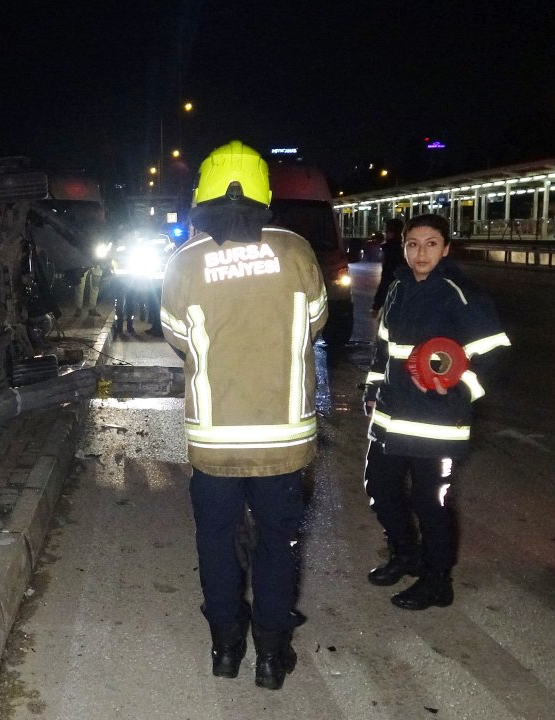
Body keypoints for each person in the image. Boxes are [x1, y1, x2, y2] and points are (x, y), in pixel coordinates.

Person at [160, 140, 327, 690]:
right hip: (284, 441)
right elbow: (316, 322)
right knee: (279, 547)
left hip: (214, 442)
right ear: (264, 193)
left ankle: (225, 650)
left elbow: (178, 339)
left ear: (204, 195)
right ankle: (271, 658)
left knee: (216, 543)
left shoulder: (185, 261)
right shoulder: (297, 251)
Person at [360, 213, 510, 610]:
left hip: (438, 424)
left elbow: (494, 354)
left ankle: (437, 580)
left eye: (430, 244)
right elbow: (385, 349)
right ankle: (404, 554)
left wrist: (457, 387)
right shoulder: (398, 288)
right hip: (390, 418)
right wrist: (374, 388)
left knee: (432, 504)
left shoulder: (462, 294)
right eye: (412, 244)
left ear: (445, 248)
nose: (420, 252)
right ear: (404, 247)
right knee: (380, 489)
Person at [370, 217, 404, 319]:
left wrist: (376, 305)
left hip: (393, 299)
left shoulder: (390, 250)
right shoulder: (407, 248)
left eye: (387, 230)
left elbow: (386, 280)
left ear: (392, 232)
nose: (385, 233)